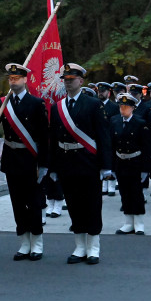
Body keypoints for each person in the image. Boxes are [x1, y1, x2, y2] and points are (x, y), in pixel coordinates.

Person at [0, 63, 48, 261]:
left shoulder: (36, 103)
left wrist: (43, 163)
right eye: (10, 78)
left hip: (30, 159)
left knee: (33, 203)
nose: (13, 80)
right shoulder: (3, 103)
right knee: (17, 203)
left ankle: (37, 242)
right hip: (12, 158)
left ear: (25, 79)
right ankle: (24, 242)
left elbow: (44, 136)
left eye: (16, 77)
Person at [49, 63, 112, 265]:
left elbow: (103, 136)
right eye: (66, 80)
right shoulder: (57, 107)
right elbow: (54, 138)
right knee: (74, 205)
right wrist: (54, 167)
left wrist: (106, 166)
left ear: (81, 81)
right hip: (67, 163)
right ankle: (79, 246)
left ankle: (93, 246)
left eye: (72, 79)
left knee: (92, 204)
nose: (68, 83)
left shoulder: (93, 104)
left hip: (88, 162)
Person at [110, 94, 151, 235]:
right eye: (121, 106)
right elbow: (112, 145)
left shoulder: (140, 123)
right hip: (120, 161)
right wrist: (112, 166)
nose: (123, 109)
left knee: (136, 192)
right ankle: (128, 221)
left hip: (135, 162)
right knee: (124, 191)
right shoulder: (114, 121)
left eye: (126, 106)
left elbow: (146, 147)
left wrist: (145, 168)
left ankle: (139, 222)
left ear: (133, 108)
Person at [96, 81, 119, 196]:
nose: (100, 93)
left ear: (108, 93)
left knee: (112, 160)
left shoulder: (114, 107)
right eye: (99, 91)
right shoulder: (95, 105)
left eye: (103, 91)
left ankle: (111, 185)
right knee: (101, 159)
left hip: (111, 136)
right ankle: (103, 185)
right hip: (99, 137)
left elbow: (115, 122)